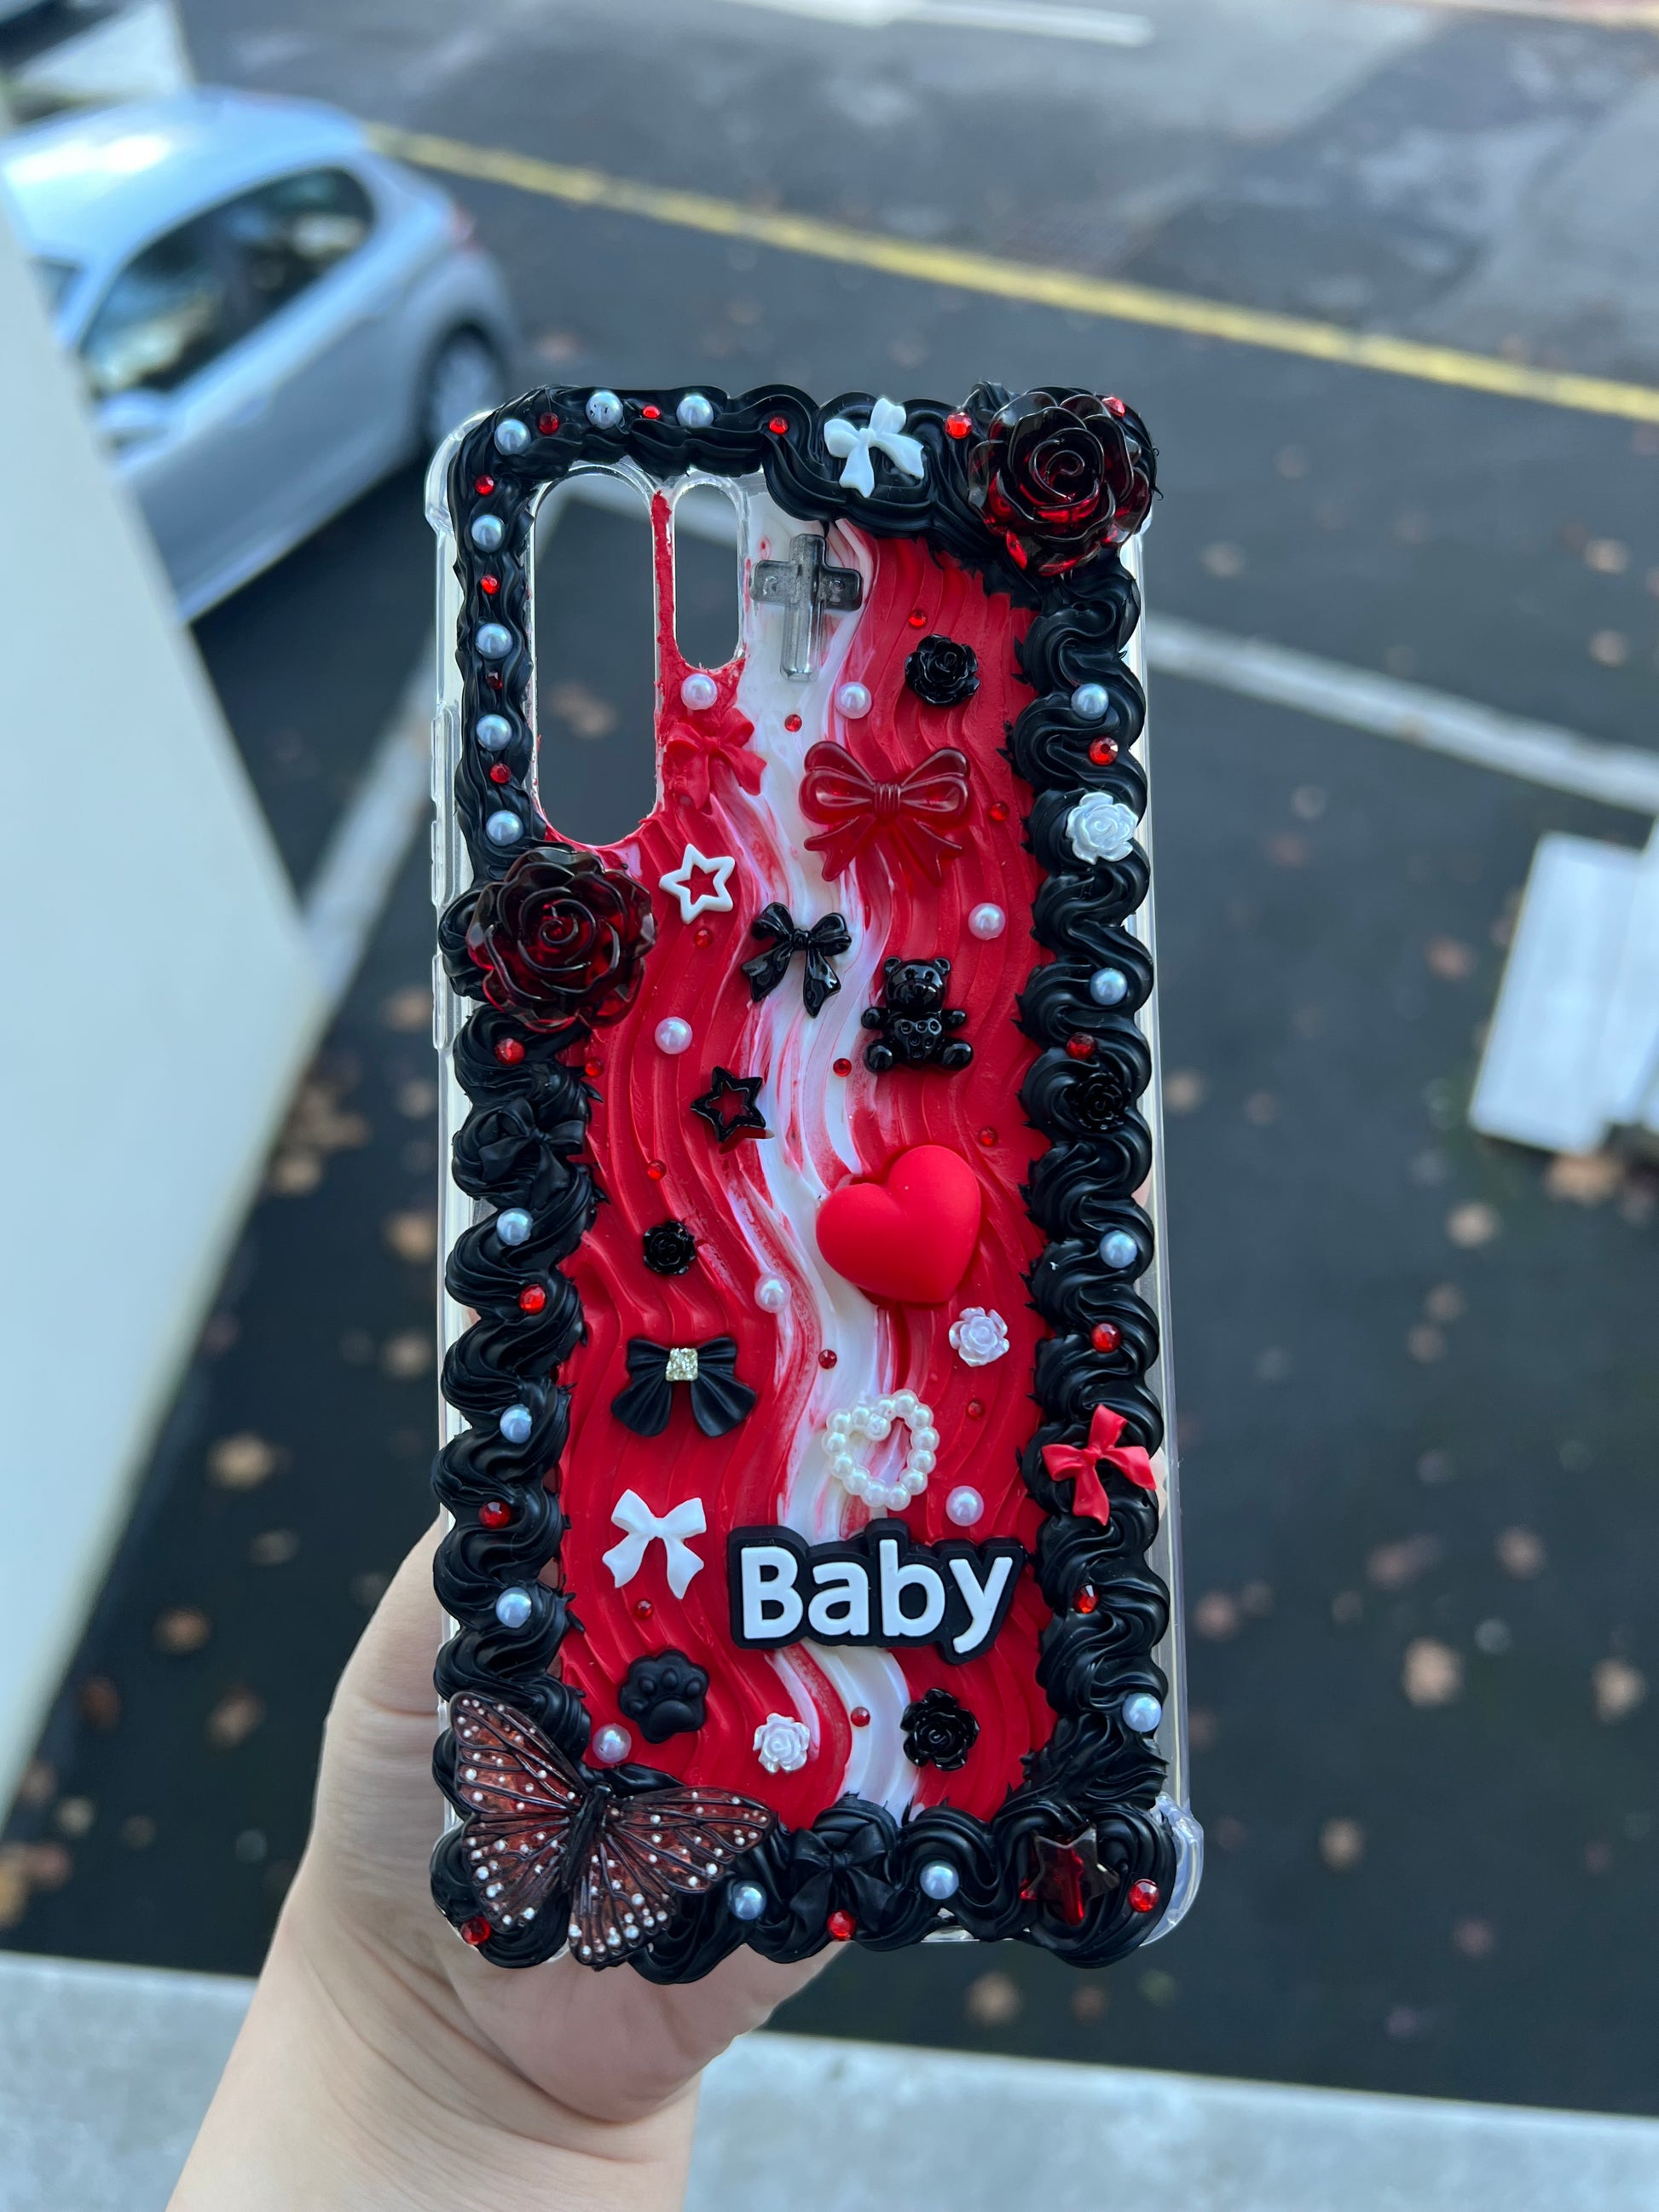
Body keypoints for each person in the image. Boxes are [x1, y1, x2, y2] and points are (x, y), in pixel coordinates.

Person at [169, 1524, 826, 2210]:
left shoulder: (550, 1779)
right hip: (577, 1887)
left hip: (540, 1855)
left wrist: (409, 2013)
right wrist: (393, 1988)